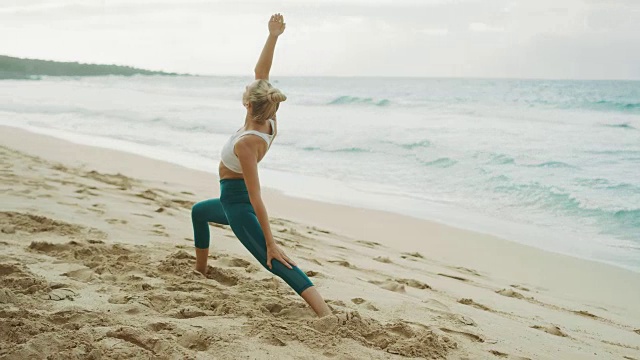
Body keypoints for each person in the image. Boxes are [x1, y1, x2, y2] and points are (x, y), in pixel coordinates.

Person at [191, 13, 333, 318]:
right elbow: (261, 70)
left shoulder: (247, 143)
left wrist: (272, 241)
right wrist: (273, 36)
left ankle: (325, 313)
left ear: (247, 103)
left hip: (239, 205)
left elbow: (256, 197)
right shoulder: (268, 118)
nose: (247, 86)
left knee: (274, 260)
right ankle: (200, 272)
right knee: (198, 212)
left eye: (246, 90)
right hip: (229, 198)